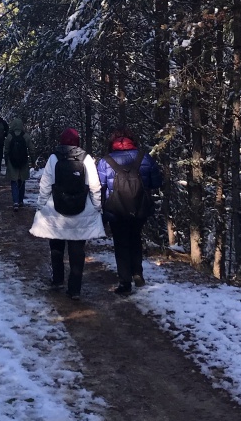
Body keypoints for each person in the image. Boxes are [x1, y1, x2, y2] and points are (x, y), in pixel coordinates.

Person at [30, 127, 104, 300]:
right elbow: (94, 186)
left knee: (56, 246)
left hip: (56, 210)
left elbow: (45, 184)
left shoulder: (54, 158)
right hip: (81, 210)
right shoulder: (86, 159)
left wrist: (41, 204)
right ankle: (75, 288)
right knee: (77, 250)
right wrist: (97, 206)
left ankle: (57, 280)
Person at [97, 129, 163, 295]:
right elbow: (156, 182)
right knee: (135, 238)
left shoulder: (106, 161)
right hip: (139, 207)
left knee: (120, 243)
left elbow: (99, 185)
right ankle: (137, 273)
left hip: (115, 209)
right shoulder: (144, 157)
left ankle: (125, 282)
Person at [4, 116, 31, 210]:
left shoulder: (9, 136)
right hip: (23, 161)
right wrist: (32, 160)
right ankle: (20, 200)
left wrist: (7, 161)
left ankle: (15, 201)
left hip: (12, 162)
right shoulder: (26, 136)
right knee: (22, 180)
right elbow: (32, 149)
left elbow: (6, 150)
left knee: (14, 181)